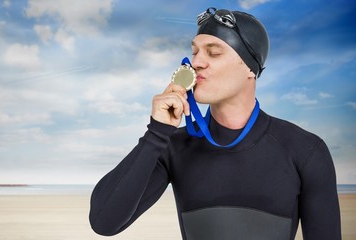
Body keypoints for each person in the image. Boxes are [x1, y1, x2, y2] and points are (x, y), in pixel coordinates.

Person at [89, 7, 341, 240]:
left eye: (214, 52)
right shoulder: (174, 147)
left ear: (251, 69)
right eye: (195, 51)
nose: (196, 62)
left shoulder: (305, 150)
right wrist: (156, 132)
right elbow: (104, 222)